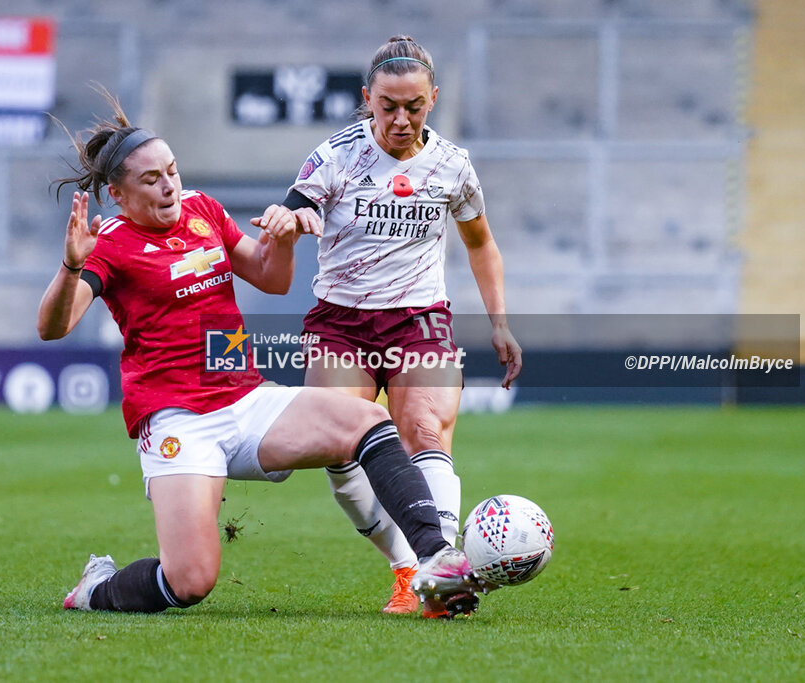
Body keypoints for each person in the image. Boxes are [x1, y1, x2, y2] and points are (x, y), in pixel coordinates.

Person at [37, 92, 482, 616]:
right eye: (151, 179)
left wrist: (286, 237)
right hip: (178, 419)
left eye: (172, 171)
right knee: (190, 581)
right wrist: (70, 267)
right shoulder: (108, 242)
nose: (169, 186)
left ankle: (433, 559)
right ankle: (97, 589)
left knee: (365, 420)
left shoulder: (202, 210)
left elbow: (271, 279)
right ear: (117, 193)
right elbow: (54, 326)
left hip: (244, 399)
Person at [280, 36, 522, 617]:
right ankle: (408, 567)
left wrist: (500, 323)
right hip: (341, 322)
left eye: (414, 106)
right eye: (388, 105)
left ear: (433, 99)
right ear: (367, 98)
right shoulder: (335, 156)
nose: (400, 118)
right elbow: (293, 206)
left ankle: (445, 576)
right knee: (340, 449)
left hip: (421, 320)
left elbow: (481, 244)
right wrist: (295, 218)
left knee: (423, 430)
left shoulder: (453, 166)